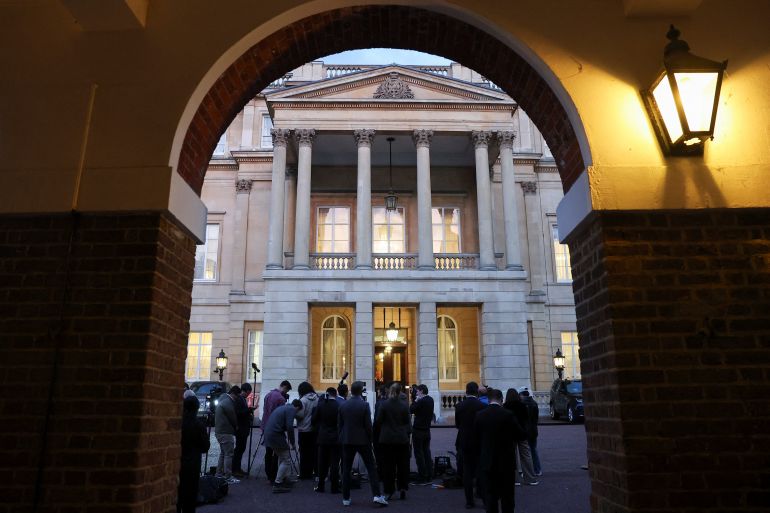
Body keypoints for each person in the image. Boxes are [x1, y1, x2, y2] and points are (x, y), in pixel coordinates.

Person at [474, 389, 527, 513]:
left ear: (488, 399)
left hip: (488, 461)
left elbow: (475, 439)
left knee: (491, 496)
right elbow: (521, 435)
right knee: (507, 497)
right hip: (506, 461)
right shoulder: (508, 415)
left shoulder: (480, 415)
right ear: (501, 399)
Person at [338, 381, 388, 507]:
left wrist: (342, 437)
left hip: (347, 439)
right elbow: (368, 426)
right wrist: (370, 439)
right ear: (360, 391)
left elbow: (340, 425)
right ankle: (376, 495)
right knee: (371, 468)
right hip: (362, 440)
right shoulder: (364, 405)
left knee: (346, 469)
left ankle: (346, 497)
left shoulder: (343, 405)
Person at [375, 383, 411, 501]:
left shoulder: (384, 404)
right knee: (402, 466)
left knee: (388, 467)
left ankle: (389, 490)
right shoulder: (404, 405)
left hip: (387, 439)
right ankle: (402, 488)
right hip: (401, 439)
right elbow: (407, 422)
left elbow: (378, 421)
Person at [455, 381, 486, 509]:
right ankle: (482, 495)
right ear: (476, 391)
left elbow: (457, 425)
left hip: (464, 441)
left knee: (467, 472)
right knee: (481, 470)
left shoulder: (459, 406)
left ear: (466, 391)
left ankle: (469, 501)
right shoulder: (482, 405)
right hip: (479, 441)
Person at [177, 395, 210, 513]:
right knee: (190, 498)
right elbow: (205, 446)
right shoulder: (199, 425)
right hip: (193, 464)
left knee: (177, 495)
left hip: (178, 462)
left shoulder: (177, 423)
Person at [264, 399, 303, 493]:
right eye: (298, 411)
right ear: (297, 407)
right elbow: (290, 426)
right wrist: (293, 443)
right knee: (286, 460)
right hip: (276, 436)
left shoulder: (283, 407)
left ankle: (283, 479)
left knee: (282, 458)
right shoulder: (292, 409)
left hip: (269, 434)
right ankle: (278, 483)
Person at [503, 388, 539, 486]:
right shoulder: (522, 406)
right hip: (522, 433)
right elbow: (526, 420)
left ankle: (514, 479)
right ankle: (530, 478)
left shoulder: (505, 406)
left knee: (512, 456)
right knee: (526, 456)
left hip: (510, 434)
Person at [262, 380, 292, 483]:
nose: (286, 392)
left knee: (268, 452)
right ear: (284, 387)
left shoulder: (268, 394)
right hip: (275, 429)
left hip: (266, 426)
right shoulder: (280, 398)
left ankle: (268, 474)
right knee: (276, 453)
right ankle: (274, 476)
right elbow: (281, 416)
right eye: (287, 390)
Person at [312, 387, 340, 493]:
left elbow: (314, 420)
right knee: (334, 463)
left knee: (322, 463)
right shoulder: (339, 405)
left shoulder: (321, 405)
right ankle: (334, 487)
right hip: (335, 437)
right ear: (335, 394)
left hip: (323, 436)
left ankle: (321, 486)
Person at [214, 385, 241, 484]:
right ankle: (228, 476)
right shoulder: (228, 402)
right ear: (233, 394)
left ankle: (219, 474)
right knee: (229, 454)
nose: (237, 399)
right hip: (226, 432)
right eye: (237, 396)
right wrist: (236, 426)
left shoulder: (222, 399)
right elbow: (232, 417)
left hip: (219, 431)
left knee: (223, 453)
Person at [409, 384, 434, 484]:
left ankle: (422, 475)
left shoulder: (421, 401)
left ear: (422, 391)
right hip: (427, 430)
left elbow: (411, 409)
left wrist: (415, 400)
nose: (417, 393)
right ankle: (429, 473)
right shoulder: (431, 399)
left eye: (418, 391)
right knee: (426, 452)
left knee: (419, 454)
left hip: (418, 430)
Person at [296, 381, 319, 479]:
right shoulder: (317, 398)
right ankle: (315, 471)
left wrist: (294, 413)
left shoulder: (303, 400)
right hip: (314, 429)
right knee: (314, 452)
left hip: (304, 429)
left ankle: (305, 473)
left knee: (304, 452)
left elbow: (300, 415)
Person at [232, 383, 253, 478]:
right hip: (241, 429)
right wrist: (249, 410)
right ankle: (235, 469)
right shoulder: (239, 399)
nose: (249, 394)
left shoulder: (242, 399)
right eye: (249, 392)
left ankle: (238, 468)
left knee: (241, 449)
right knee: (239, 449)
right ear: (246, 391)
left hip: (243, 428)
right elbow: (239, 413)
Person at [520, 389, 542, 476]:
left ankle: (527, 471)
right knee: (533, 450)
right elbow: (536, 419)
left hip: (525, 430)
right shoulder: (534, 403)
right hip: (533, 430)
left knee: (525, 453)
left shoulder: (522, 405)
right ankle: (537, 469)